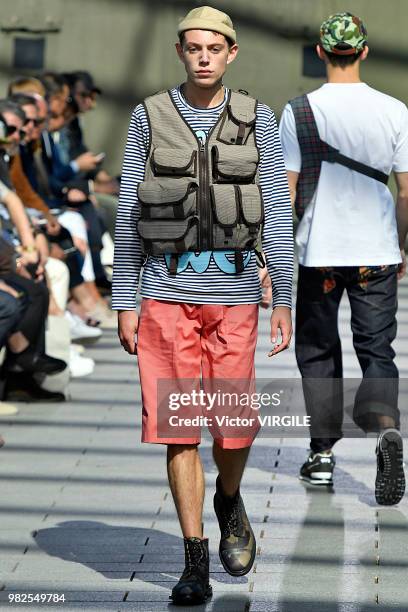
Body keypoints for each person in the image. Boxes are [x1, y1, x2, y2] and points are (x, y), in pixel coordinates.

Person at [113, 5, 293, 606]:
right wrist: (124, 300)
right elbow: (129, 212)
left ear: (232, 52)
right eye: (194, 48)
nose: (205, 57)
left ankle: (229, 498)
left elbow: (275, 211)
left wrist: (283, 300)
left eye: (215, 48)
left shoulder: (257, 119)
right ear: (180, 52)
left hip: (237, 297)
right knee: (178, 431)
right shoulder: (148, 117)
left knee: (234, 429)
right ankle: (194, 561)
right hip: (164, 295)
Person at [279, 12, 408, 505]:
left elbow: (286, 191)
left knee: (318, 350)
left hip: (318, 252)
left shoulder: (298, 110)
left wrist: (276, 256)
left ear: (319, 53)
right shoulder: (394, 109)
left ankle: (323, 454)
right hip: (374, 249)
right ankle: (385, 429)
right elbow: (405, 192)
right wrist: (399, 244)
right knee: (377, 349)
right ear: (365, 52)